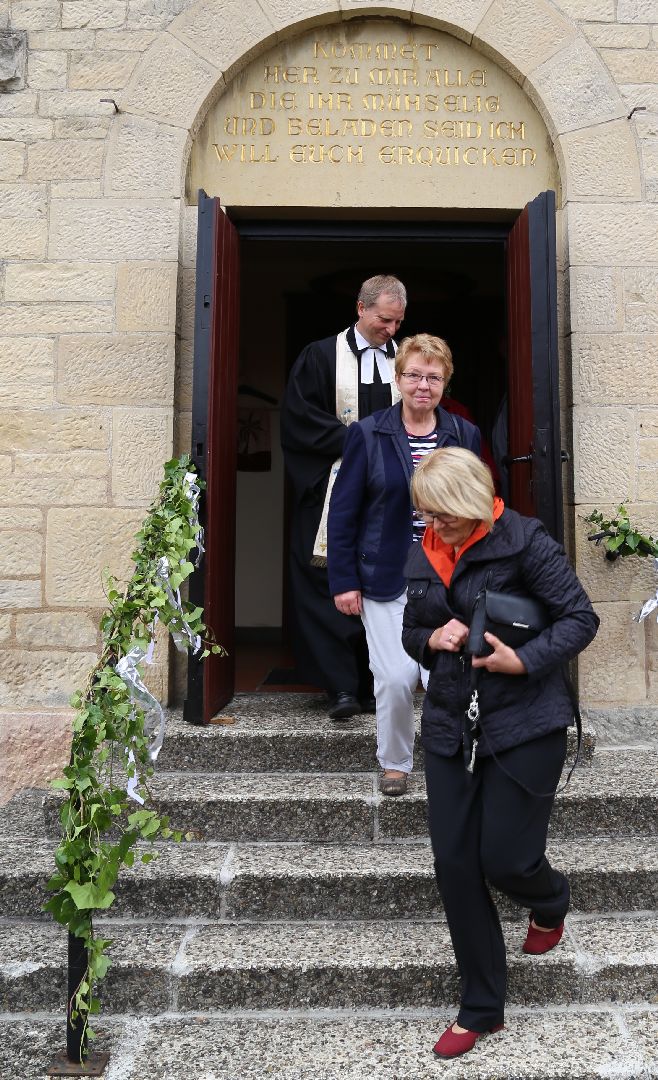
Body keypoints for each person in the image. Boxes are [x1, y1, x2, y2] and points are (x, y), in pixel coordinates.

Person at [401, 448, 599, 1058]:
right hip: (449, 726)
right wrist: (431, 638)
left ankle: (549, 898)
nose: (437, 526)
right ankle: (482, 1008)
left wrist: (524, 658)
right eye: (427, 515)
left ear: (472, 502)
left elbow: (579, 618)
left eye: (446, 515)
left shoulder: (525, 541)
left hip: (525, 722)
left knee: (507, 858)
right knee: (456, 866)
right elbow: (412, 630)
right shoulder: (426, 546)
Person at [327, 335, 480, 795]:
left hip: (449, 575)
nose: (422, 385)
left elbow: (478, 504)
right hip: (385, 576)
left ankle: (452, 757)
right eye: (414, 375)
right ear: (397, 379)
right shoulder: (368, 434)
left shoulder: (462, 434)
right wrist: (343, 581)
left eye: (433, 377)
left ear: (444, 383)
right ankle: (395, 764)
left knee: (445, 676)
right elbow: (344, 512)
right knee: (395, 677)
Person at [280, 275, 407, 720]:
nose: (390, 330)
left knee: (384, 578)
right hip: (332, 484)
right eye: (383, 320)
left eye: (397, 322)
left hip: (394, 490)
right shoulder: (319, 356)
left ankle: (379, 684)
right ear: (360, 308)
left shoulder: (407, 362)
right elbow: (298, 419)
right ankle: (340, 688)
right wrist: (361, 440)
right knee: (327, 581)